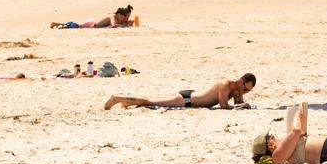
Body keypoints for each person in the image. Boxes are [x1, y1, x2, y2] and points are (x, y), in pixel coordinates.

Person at [104, 73, 257, 110]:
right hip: (187, 100)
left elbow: (239, 104)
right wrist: (241, 105)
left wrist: (241, 96)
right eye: (245, 88)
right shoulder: (226, 84)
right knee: (150, 101)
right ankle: (117, 98)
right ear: (240, 82)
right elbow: (224, 106)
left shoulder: (237, 89)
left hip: (192, 98)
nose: (244, 91)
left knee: (149, 103)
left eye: (247, 91)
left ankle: (125, 102)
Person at [50, 5, 134, 29]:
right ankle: (55, 23)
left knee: (75, 26)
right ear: (119, 15)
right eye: (123, 17)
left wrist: (126, 24)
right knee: (76, 25)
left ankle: (56, 24)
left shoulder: (116, 17)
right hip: (91, 24)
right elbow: (113, 25)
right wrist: (124, 25)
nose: (124, 19)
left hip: (92, 24)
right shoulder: (112, 17)